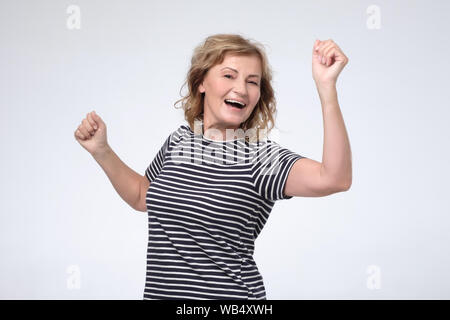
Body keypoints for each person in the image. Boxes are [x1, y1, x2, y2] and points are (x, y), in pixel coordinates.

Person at [73, 33, 352, 300]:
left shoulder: (260, 158)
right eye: (229, 75)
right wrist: (102, 151)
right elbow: (141, 195)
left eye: (253, 82)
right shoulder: (179, 142)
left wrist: (327, 88)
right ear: (201, 82)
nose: (241, 89)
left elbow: (334, 178)